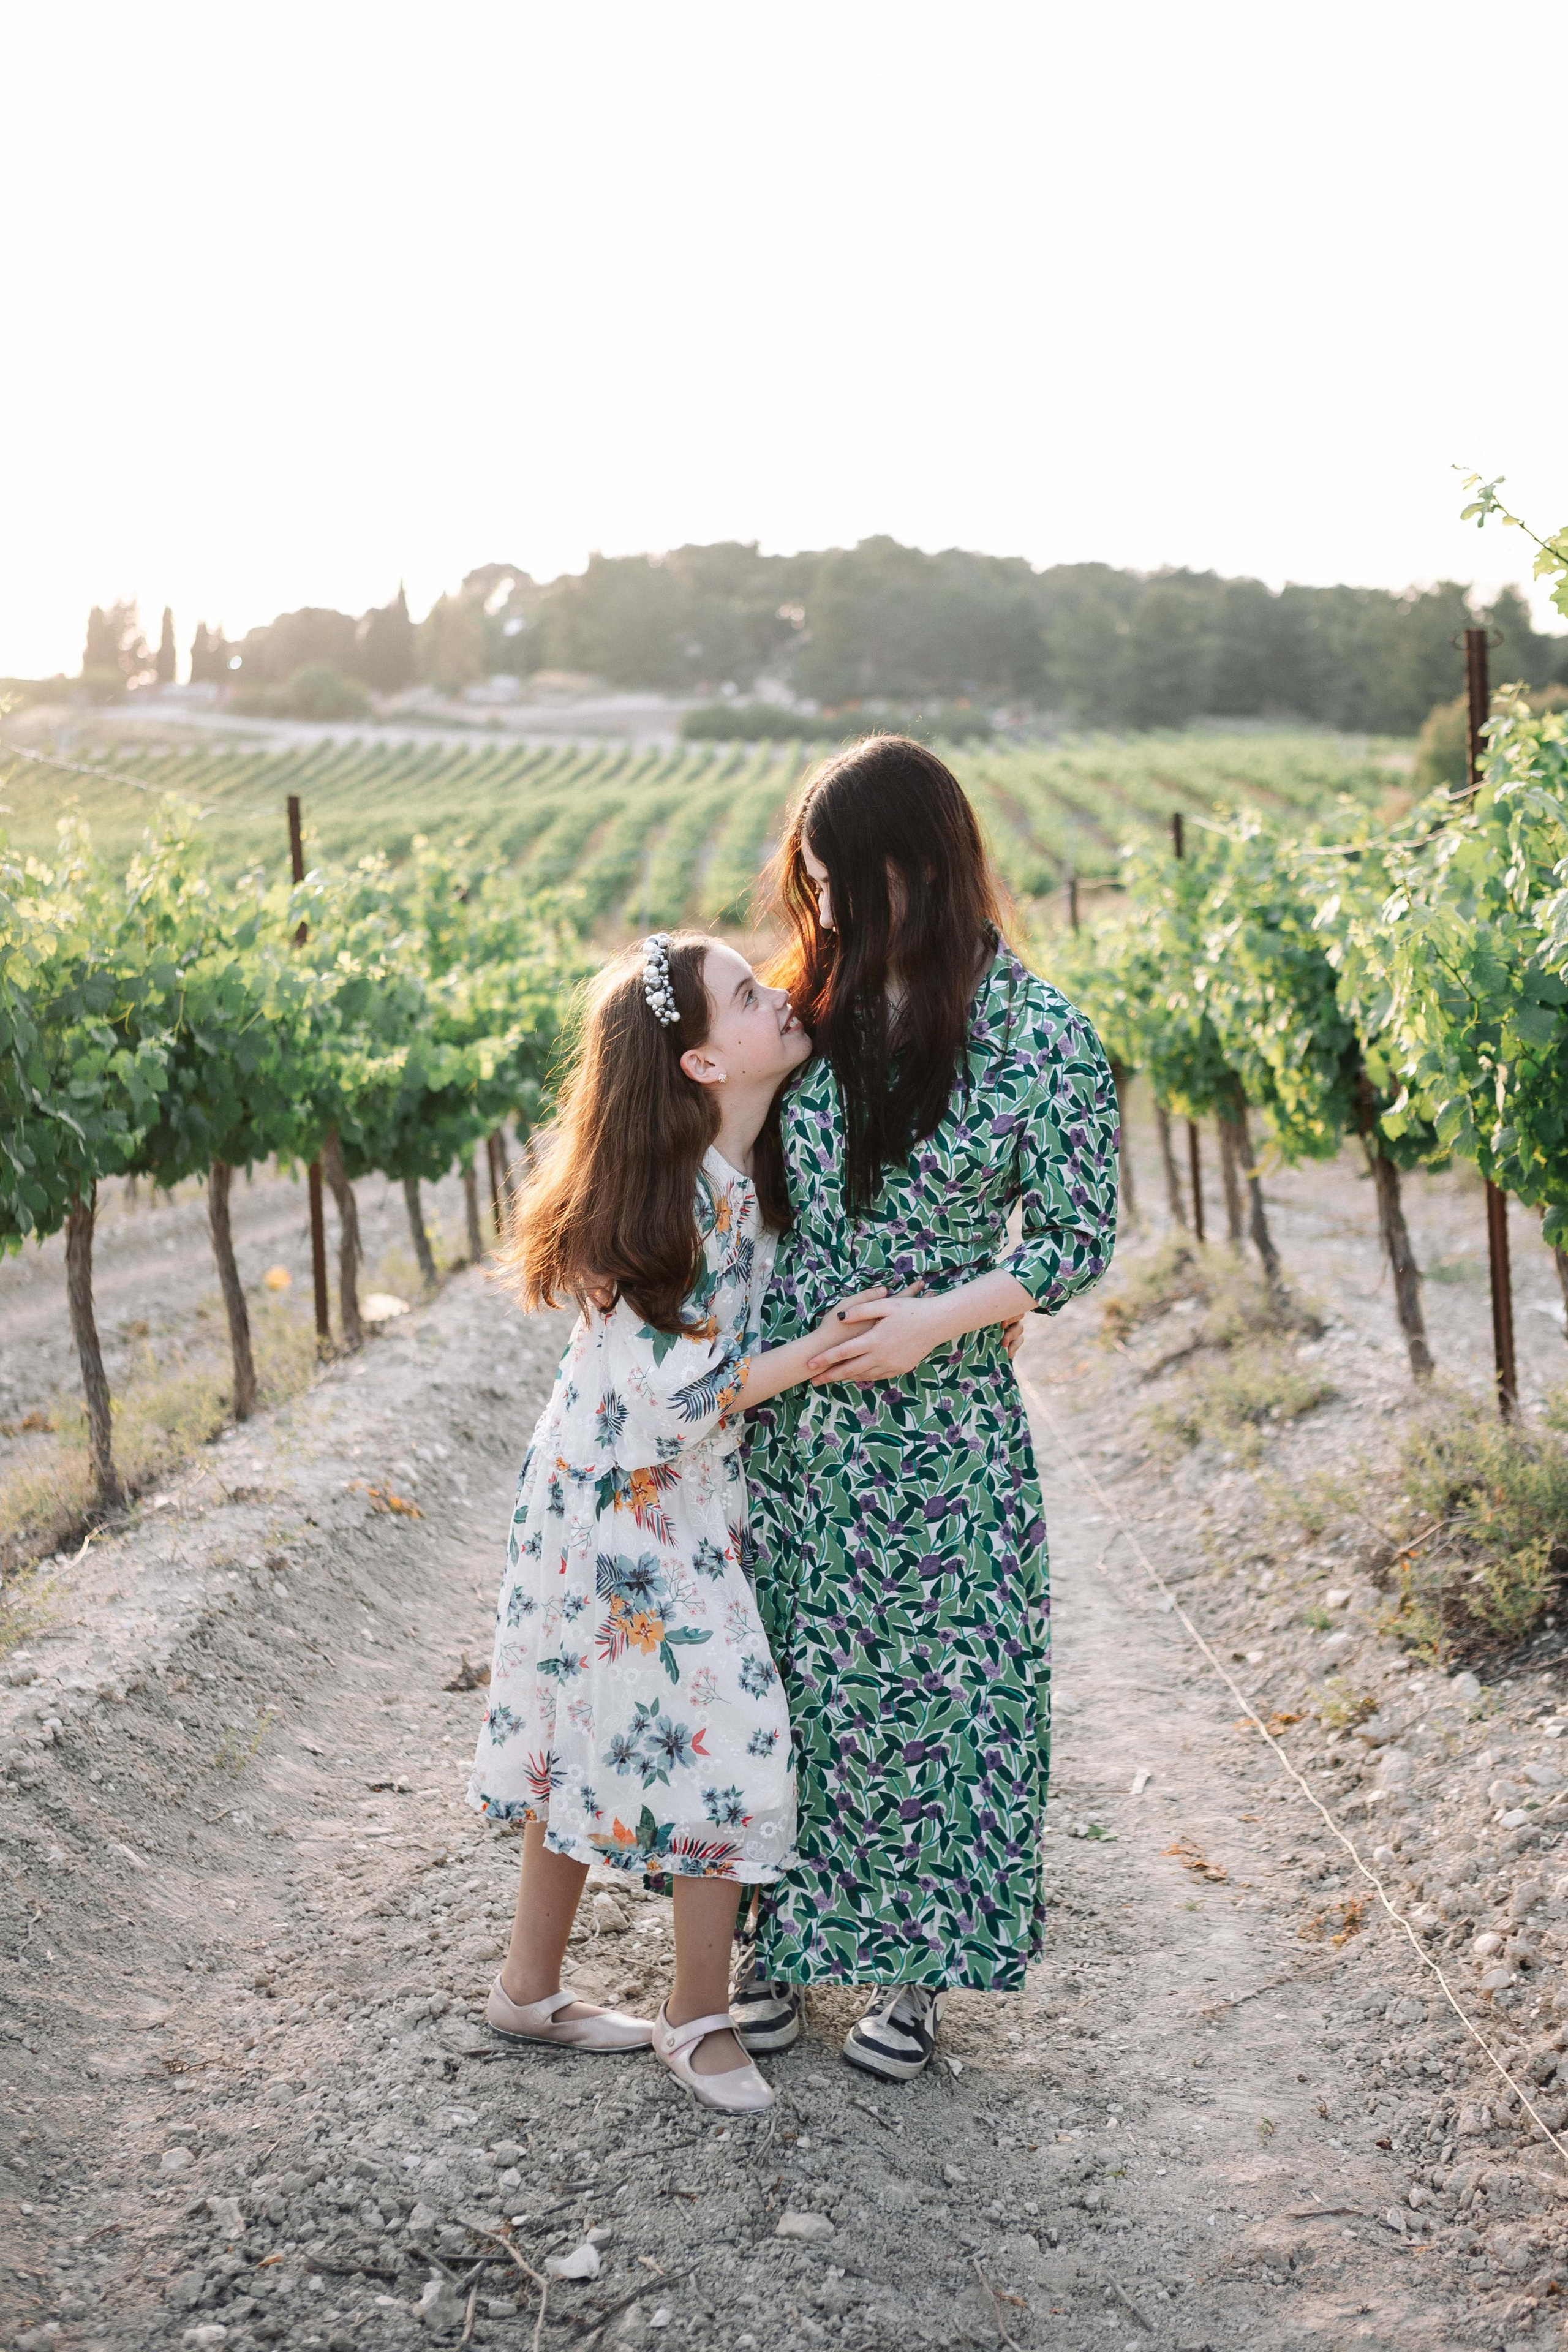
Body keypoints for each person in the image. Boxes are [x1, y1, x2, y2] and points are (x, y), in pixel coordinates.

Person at [735, 736, 1120, 2082]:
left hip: (942, 1421)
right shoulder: (805, 1010)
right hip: (791, 1418)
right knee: (783, 1674)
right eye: (812, 880)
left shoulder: (1043, 1036)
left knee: (938, 1691)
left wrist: (934, 1320)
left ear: (917, 865)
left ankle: (914, 1972)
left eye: (842, 878)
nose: (823, 907)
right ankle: (771, 1942)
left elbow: (1073, 1239)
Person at [466, 930, 884, 2114]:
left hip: (627, 1495)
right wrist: (811, 1357)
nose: (779, 996)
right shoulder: (686, 1198)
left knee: (579, 1725)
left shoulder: (733, 1177)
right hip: (628, 1506)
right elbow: (673, 1404)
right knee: (732, 1730)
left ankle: (527, 1989)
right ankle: (695, 2018)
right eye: (748, 996)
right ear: (705, 1065)